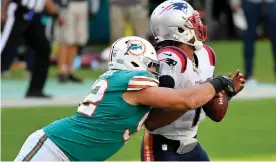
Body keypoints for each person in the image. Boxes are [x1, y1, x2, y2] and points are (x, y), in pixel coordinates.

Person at [14, 36, 242, 161]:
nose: (154, 70)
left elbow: (174, 110)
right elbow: (184, 100)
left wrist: (220, 94)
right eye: (151, 64)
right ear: (134, 60)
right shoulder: (132, 80)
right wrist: (218, 83)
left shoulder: (121, 80)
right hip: (54, 150)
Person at [141, 0, 245, 161]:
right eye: (192, 22)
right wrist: (192, 99)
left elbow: (216, 114)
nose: (198, 25)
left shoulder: (205, 55)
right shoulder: (169, 59)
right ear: (179, 29)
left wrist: (226, 93)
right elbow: (152, 121)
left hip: (192, 144)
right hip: (162, 146)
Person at [1, 0, 63, 98]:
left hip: (35, 14)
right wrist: (3, 10)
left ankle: (35, 90)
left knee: (43, 49)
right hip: (19, 10)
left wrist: (56, 15)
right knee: (5, 48)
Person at [231, 0, 276, 83]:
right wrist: (235, 0)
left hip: (270, 1)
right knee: (249, 38)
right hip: (251, 0)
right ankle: (249, 74)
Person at [54, 0, 91, 83]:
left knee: (77, 39)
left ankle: (69, 72)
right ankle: (61, 72)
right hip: (68, 3)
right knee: (66, 38)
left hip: (82, 2)